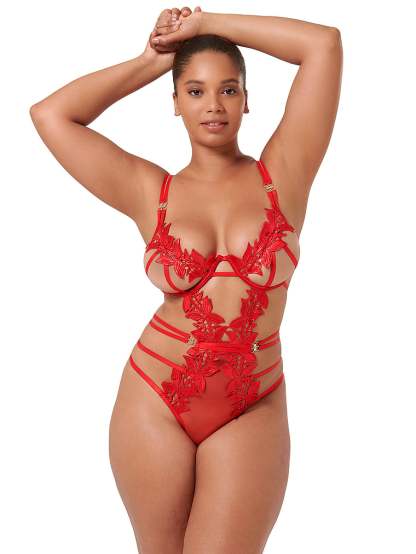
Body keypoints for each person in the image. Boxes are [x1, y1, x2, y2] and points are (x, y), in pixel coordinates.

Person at [29, 6, 342, 553]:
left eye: (228, 90)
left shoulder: (284, 174)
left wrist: (205, 24)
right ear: (174, 102)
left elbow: (324, 45)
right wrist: (151, 61)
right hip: (155, 398)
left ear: (246, 99)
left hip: (252, 403)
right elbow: (51, 114)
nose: (213, 105)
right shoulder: (150, 190)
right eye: (195, 91)